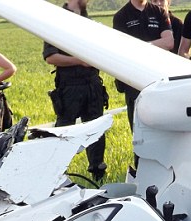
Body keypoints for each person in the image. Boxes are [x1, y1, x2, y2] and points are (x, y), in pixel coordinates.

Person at [43, 0, 107, 181]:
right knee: (63, 132)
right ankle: (54, 176)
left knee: (96, 131)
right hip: (69, 86)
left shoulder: (89, 22)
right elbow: (51, 57)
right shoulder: (56, 22)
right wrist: (80, 60)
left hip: (92, 84)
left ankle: (98, 174)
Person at [113, 0, 173, 132]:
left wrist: (142, 46)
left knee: (162, 130)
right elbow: (122, 48)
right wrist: (156, 44)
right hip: (133, 81)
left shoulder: (159, 12)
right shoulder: (121, 16)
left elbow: (169, 42)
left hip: (158, 79)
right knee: (138, 132)